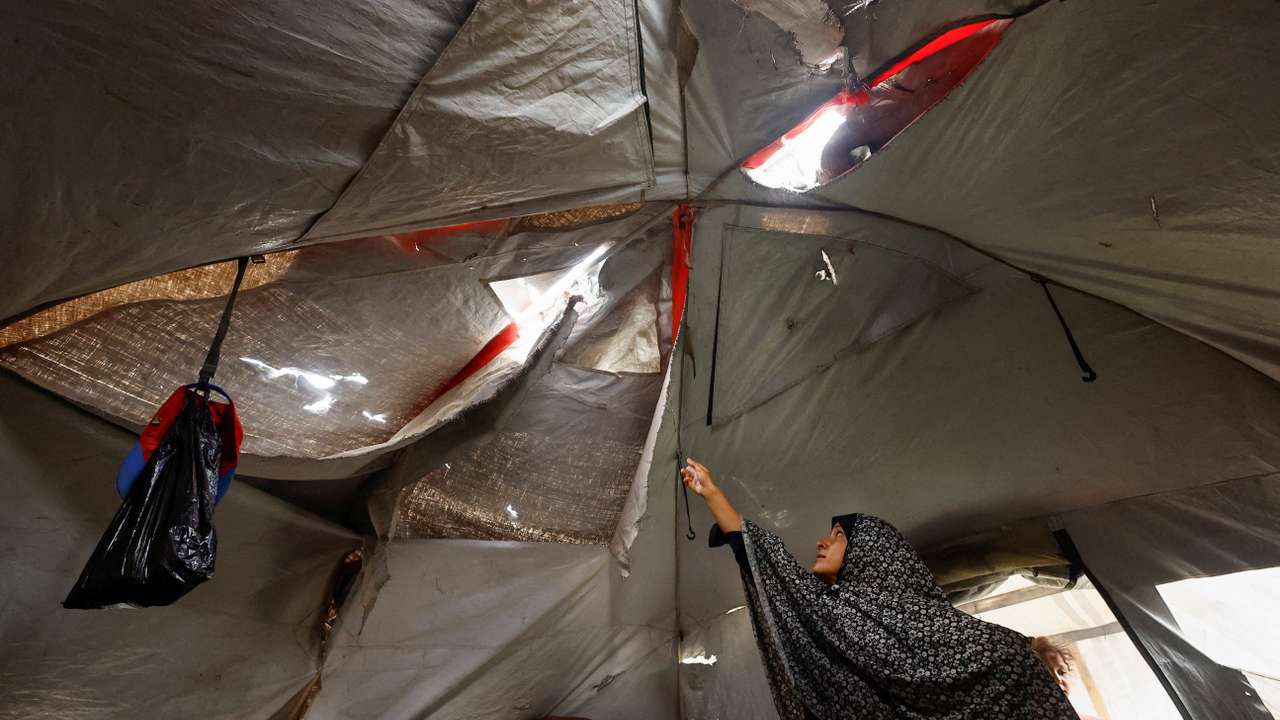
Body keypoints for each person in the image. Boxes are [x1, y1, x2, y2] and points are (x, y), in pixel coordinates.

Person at [680, 457, 1078, 720]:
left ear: (871, 552)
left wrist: (715, 496)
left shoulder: (906, 617)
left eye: (837, 536)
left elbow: (797, 590)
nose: (821, 542)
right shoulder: (853, 617)